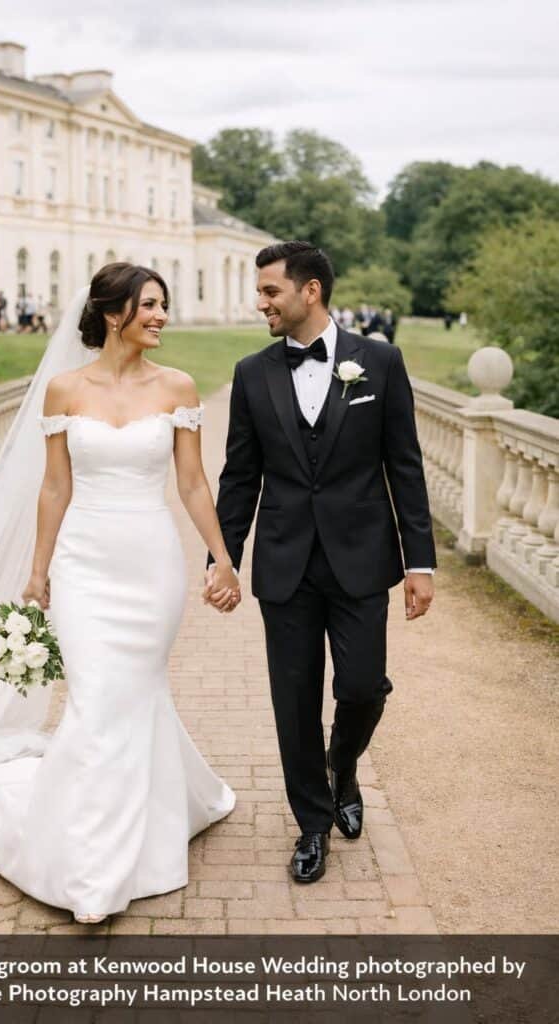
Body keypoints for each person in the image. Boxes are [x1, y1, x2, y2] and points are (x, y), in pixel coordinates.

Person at [0, 263, 238, 924]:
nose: (161, 316)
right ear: (111, 312)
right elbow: (54, 488)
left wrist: (220, 557)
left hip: (151, 565)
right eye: (149, 305)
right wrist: (39, 572)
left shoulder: (178, 387)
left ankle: (149, 823)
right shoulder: (65, 391)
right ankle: (93, 872)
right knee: (97, 700)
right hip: (83, 565)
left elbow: (190, 484)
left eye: (163, 305)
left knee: (136, 692)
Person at [205, 241, 435, 884]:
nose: (261, 303)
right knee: (294, 698)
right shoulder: (252, 373)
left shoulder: (380, 362)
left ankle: (344, 763)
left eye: (271, 291)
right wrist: (222, 558)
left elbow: (405, 467)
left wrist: (422, 563)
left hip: (362, 559)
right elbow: (240, 475)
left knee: (362, 687)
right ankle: (312, 823)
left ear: (311, 291)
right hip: (285, 563)